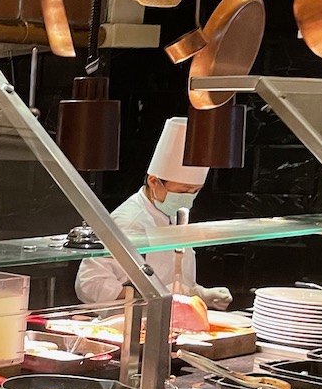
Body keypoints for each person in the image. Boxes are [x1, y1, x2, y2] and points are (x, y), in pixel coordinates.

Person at [74, 117, 232, 309]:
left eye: (195, 191)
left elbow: (173, 277)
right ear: (154, 181)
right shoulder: (129, 220)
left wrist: (199, 293)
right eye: (182, 191)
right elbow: (89, 284)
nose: (188, 198)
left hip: (171, 321)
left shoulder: (175, 214)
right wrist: (153, 297)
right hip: (129, 325)